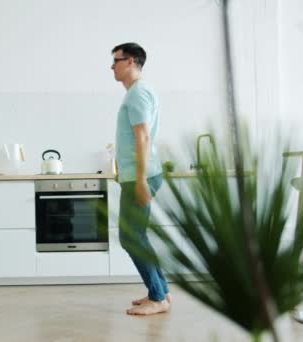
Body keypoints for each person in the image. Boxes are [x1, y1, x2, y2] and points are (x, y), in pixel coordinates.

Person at [111, 43, 170, 315]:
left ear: (131, 61)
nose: (112, 66)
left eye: (117, 61)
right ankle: (160, 294)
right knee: (137, 235)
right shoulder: (138, 93)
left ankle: (158, 298)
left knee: (131, 237)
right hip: (134, 175)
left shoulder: (138, 94)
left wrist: (141, 178)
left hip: (140, 176)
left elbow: (143, 136)